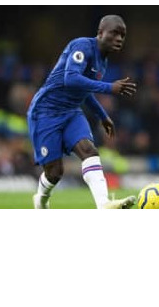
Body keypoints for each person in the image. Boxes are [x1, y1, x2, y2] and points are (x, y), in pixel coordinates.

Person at [27, 15, 137, 209]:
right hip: (46, 112)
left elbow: (83, 91)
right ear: (100, 33)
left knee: (89, 150)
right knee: (54, 173)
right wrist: (109, 87)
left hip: (71, 112)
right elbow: (71, 79)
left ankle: (104, 204)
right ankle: (41, 200)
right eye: (114, 33)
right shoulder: (82, 46)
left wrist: (102, 115)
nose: (119, 38)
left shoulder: (102, 62)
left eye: (123, 35)